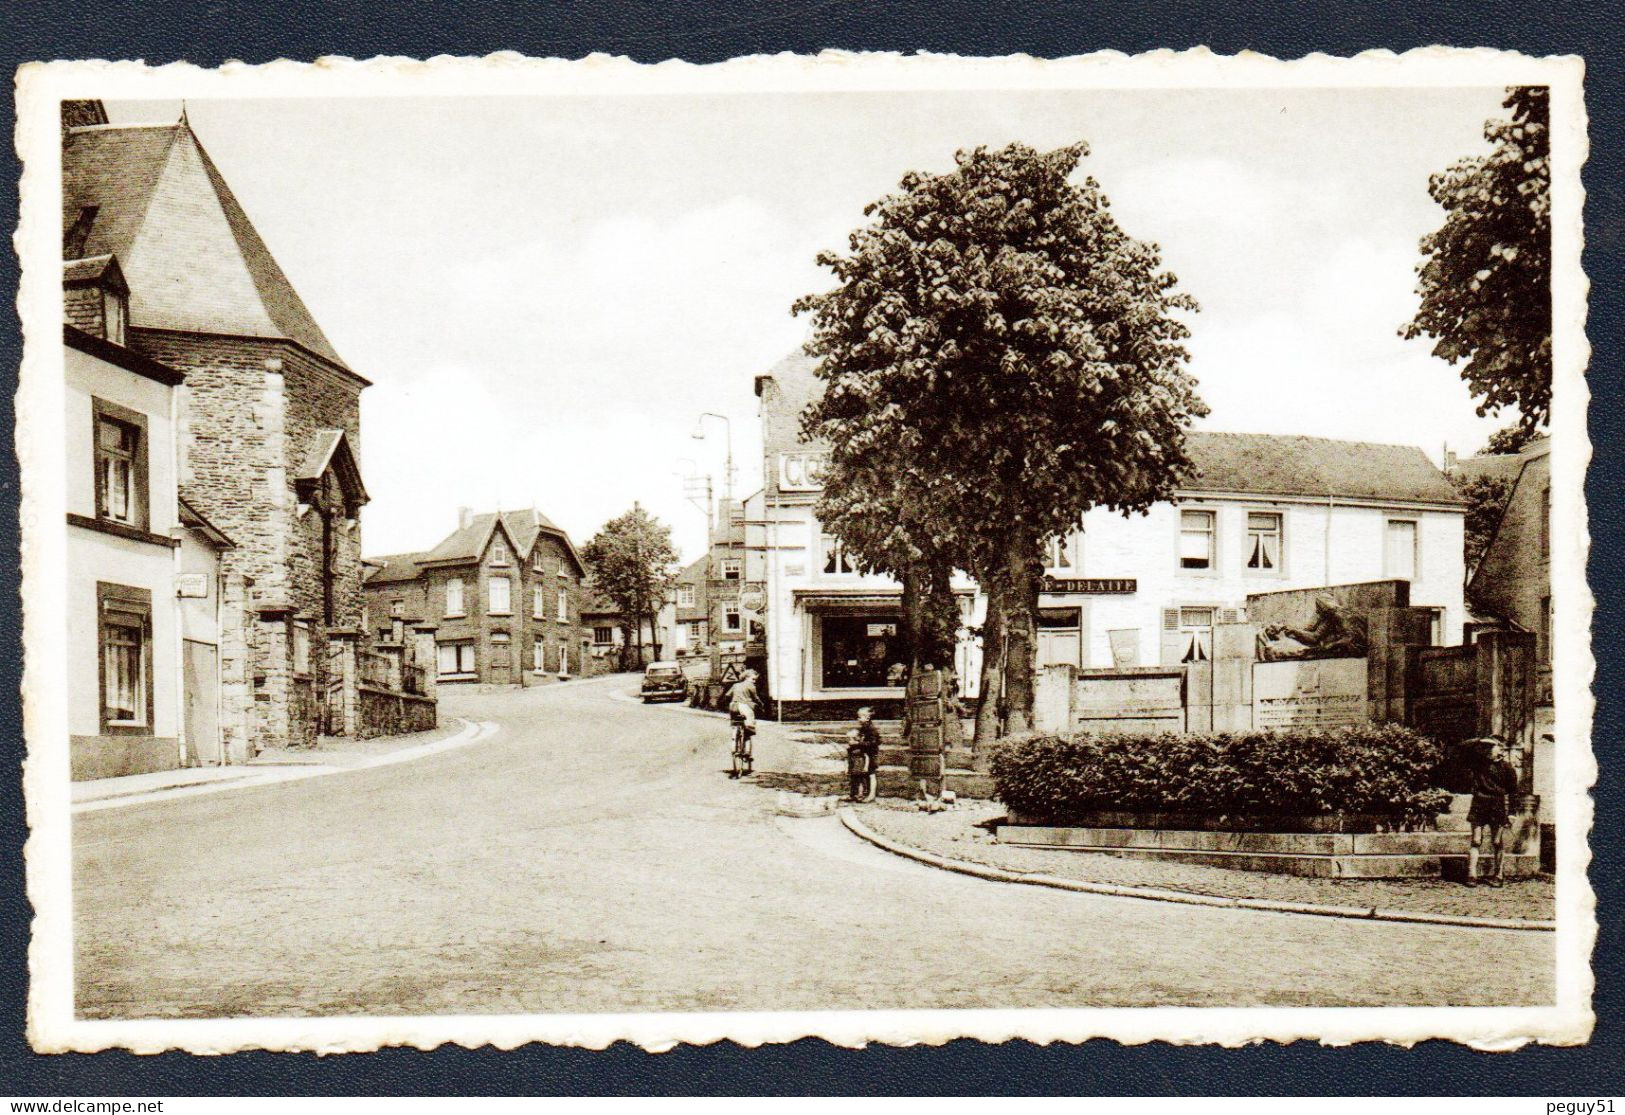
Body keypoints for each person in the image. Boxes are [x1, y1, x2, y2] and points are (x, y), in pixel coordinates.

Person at [1465, 735, 1520, 887]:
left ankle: (1499, 875)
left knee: (1497, 842)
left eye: (1492, 746)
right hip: (1479, 804)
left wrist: (1512, 813)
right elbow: (1464, 748)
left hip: (1497, 806)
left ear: (1500, 748)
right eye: (1486, 747)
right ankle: (1472, 875)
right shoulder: (1478, 764)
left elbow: (1513, 792)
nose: (1488, 750)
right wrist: (1480, 741)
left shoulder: (1507, 768)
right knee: (1476, 841)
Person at [846, 705, 882, 801]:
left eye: (860, 717)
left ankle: (871, 795)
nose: (858, 719)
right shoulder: (863, 728)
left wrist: (858, 743)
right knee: (865, 774)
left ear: (867, 717)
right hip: (865, 754)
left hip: (871, 754)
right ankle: (861, 794)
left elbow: (875, 742)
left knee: (871, 774)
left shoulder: (871, 729)